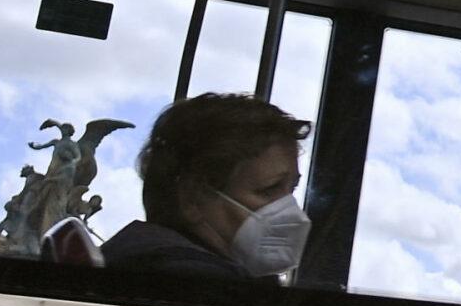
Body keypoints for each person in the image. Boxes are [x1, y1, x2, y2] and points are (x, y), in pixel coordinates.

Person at [103, 92, 311, 279]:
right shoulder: (192, 280)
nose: (292, 211)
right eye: (268, 189)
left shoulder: (137, 257)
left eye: (291, 189)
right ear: (192, 199)